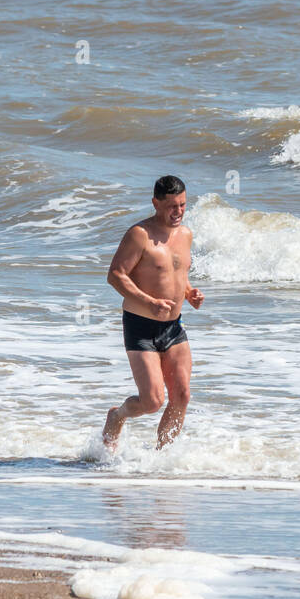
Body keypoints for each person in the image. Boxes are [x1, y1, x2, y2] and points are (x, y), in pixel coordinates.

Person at [101, 175, 204, 451]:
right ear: (155, 203)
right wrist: (149, 302)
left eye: (182, 205)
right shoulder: (140, 235)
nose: (178, 212)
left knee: (181, 395)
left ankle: (161, 459)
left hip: (173, 327)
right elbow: (115, 275)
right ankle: (118, 415)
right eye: (171, 206)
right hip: (141, 326)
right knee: (152, 401)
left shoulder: (185, 234)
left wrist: (189, 292)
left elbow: (176, 272)